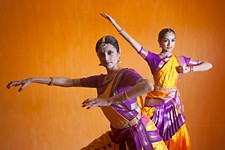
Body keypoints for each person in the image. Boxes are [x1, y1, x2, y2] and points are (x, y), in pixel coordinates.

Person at [7, 35, 168, 150]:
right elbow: (69, 82)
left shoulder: (125, 74)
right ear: (98, 56)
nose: (106, 57)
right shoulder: (100, 80)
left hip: (139, 132)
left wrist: (109, 101)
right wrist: (34, 79)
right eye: (101, 53)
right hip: (118, 135)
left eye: (110, 52)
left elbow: (147, 85)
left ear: (119, 54)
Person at [101, 13, 213, 150]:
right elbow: (133, 43)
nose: (169, 44)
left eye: (172, 40)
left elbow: (208, 65)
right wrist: (115, 24)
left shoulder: (181, 60)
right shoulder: (154, 59)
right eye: (166, 40)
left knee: (175, 137)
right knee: (150, 136)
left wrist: (188, 69)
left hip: (172, 103)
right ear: (159, 42)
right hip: (155, 103)